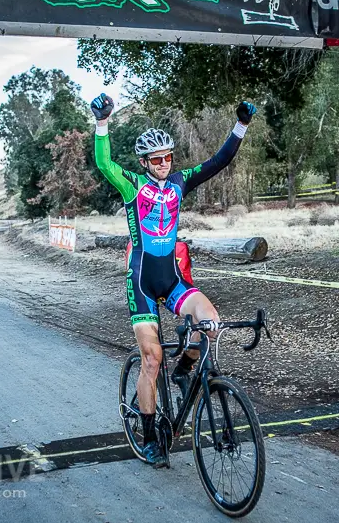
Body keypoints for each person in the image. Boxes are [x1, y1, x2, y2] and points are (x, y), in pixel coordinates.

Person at [91, 93, 256, 467]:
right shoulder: (132, 184)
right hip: (143, 285)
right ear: (145, 162)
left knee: (210, 325)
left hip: (173, 280)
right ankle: (150, 438)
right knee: (151, 359)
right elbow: (103, 163)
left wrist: (241, 124)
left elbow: (220, 161)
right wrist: (102, 124)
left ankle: (184, 372)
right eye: (156, 159)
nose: (164, 164)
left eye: (168, 157)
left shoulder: (180, 182)